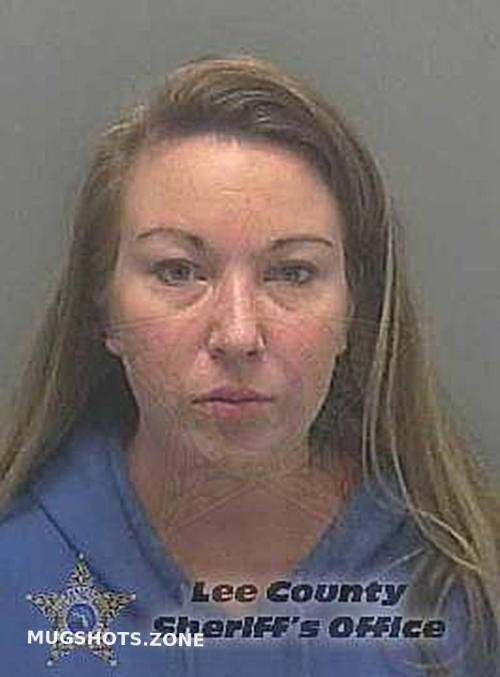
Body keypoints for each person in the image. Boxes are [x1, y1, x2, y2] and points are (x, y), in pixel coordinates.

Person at [0, 54, 498, 676]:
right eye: (178, 271)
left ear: (354, 310)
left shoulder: (469, 586)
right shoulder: (16, 570)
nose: (238, 335)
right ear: (101, 307)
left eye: (292, 273)